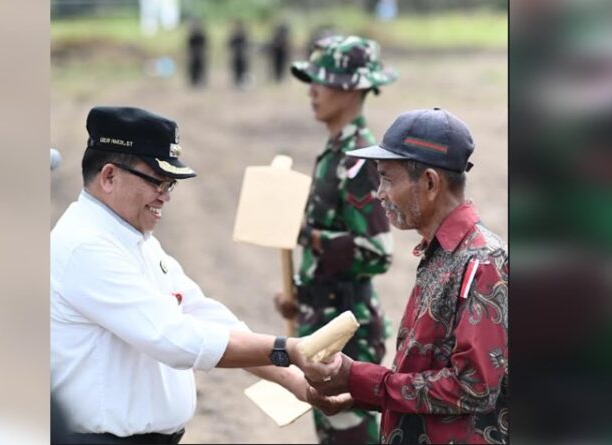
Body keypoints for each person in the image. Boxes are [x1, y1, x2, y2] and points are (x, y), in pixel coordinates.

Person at [50, 106, 336, 444]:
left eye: (171, 184)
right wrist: (287, 349)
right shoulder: (86, 247)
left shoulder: (132, 240)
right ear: (109, 176)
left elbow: (203, 313)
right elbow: (176, 339)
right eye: (157, 181)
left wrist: (292, 378)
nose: (166, 196)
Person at [304, 108, 509, 444]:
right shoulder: (442, 253)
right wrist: (358, 394)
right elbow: (428, 374)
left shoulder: (481, 262)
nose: (379, 193)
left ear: (429, 182)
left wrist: (359, 378)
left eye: (387, 177)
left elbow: (472, 388)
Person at [273, 35, 398, 444]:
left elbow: (376, 253)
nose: (311, 91)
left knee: (349, 435)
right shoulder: (337, 152)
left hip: (348, 333)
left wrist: (305, 236)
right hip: (325, 321)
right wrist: (301, 295)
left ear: (353, 89)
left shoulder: (360, 159)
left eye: (321, 81)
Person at [228, 20, 250, 88]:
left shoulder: (243, 35)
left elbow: (246, 44)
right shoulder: (233, 35)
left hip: (242, 56)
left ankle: (242, 83)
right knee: (236, 70)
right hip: (236, 55)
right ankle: (237, 83)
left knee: (243, 70)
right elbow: (229, 44)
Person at [186, 19, 208, 87]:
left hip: (199, 54)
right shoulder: (192, 35)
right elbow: (189, 45)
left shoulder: (201, 35)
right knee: (193, 69)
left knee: (200, 68)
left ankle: (199, 81)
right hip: (194, 54)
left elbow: (204, 44)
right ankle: (194, 81)